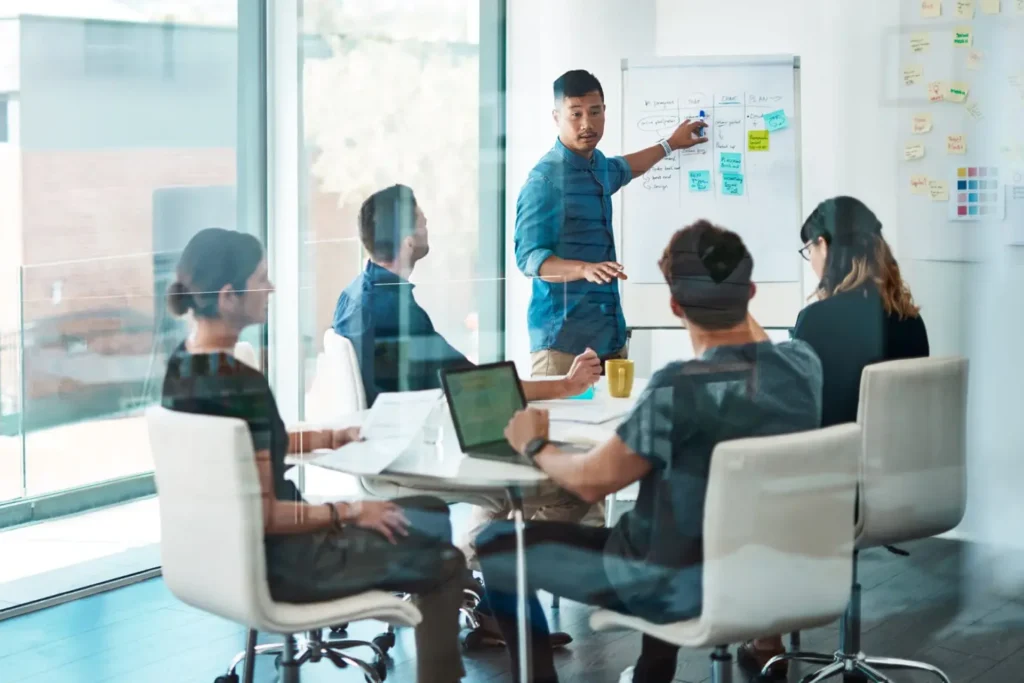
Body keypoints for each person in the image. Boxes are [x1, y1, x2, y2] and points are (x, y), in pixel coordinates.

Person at [475, 220, 824, 683]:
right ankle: (651, 673)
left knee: (495, 543)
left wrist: (532, 442)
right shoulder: (804, 365)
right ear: (752, 292)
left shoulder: (677, 388)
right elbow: (758, 350)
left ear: (674, 305)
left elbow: (588, 481)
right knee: (670, 512)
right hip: (775, 571)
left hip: (670, 583)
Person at [161, 228, 465, 683]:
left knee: (429, 511)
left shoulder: (183, 366)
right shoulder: (241, 385)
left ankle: (399, 567)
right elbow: (266, 514)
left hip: (221, 560)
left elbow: (245, 448)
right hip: (293, 563)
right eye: (261, 279)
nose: (271, 288)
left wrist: (328, 436)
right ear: (228, 296)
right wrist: (351, 510)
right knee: (448, 561)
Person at [515, 69, 709, 377]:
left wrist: (671, 144)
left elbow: (628, 167)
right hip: (564, 345)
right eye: (575, 114)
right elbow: (528, 259)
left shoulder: (599, 165)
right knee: (564, 427)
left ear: (604, 111)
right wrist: (583, 268)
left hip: (610, 338)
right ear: (556, 117)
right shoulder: (545, 180)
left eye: (594, 112)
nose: (586, 124)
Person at [333, 183, 602, 406]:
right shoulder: (395, 312)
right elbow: (473, 385)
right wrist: (566, 385)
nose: (426, 224)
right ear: (408, 241)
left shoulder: (353, 294)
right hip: (413, 445)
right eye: (421, 222)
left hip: (385, 437)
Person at [793, 196, 929, 427]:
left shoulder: (815, 321)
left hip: (834, 456)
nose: (811, 261)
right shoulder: (912, 321)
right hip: (899, 458)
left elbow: (795, 405)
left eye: (809, 249)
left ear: (823, 246)